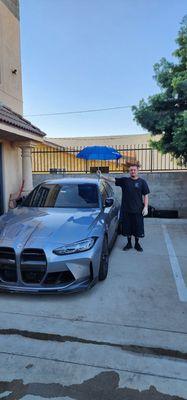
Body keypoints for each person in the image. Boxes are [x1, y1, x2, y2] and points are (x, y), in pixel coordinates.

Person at [98, 165, 150, 252]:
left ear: (137, 171)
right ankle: (129, 243)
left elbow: (146, 195)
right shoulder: (125, 181)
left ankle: (137, 244)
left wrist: (146, 207)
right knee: (127, 228)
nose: (133, 171)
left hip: (138, 210)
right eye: (131, 170)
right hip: (126, 210)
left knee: (138, 228)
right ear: (129, 172)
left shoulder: (142, 182)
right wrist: (102, 176)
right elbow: (113, 179)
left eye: (134, 170)